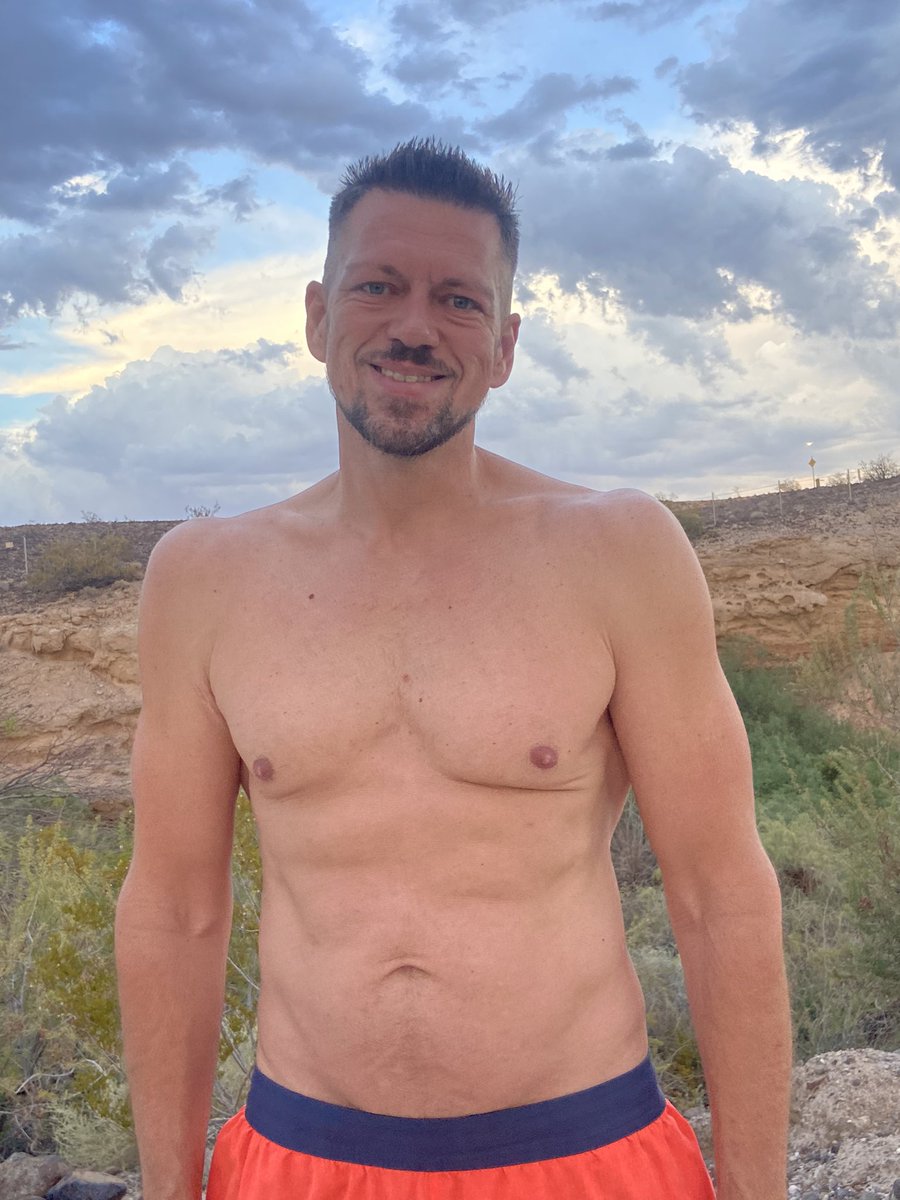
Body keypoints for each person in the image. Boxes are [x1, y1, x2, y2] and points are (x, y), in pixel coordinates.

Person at [115, 139, 791, 1200]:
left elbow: (721, 895)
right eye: (377, 286)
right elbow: (173, 909)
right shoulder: (204, 578)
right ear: (317, 317)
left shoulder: (620, 553)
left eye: (459, 300)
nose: (414, 326)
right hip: (299, 1159)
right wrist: (168, 1187)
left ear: (506, 344)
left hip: (585, 1154)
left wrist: (756, 1188)